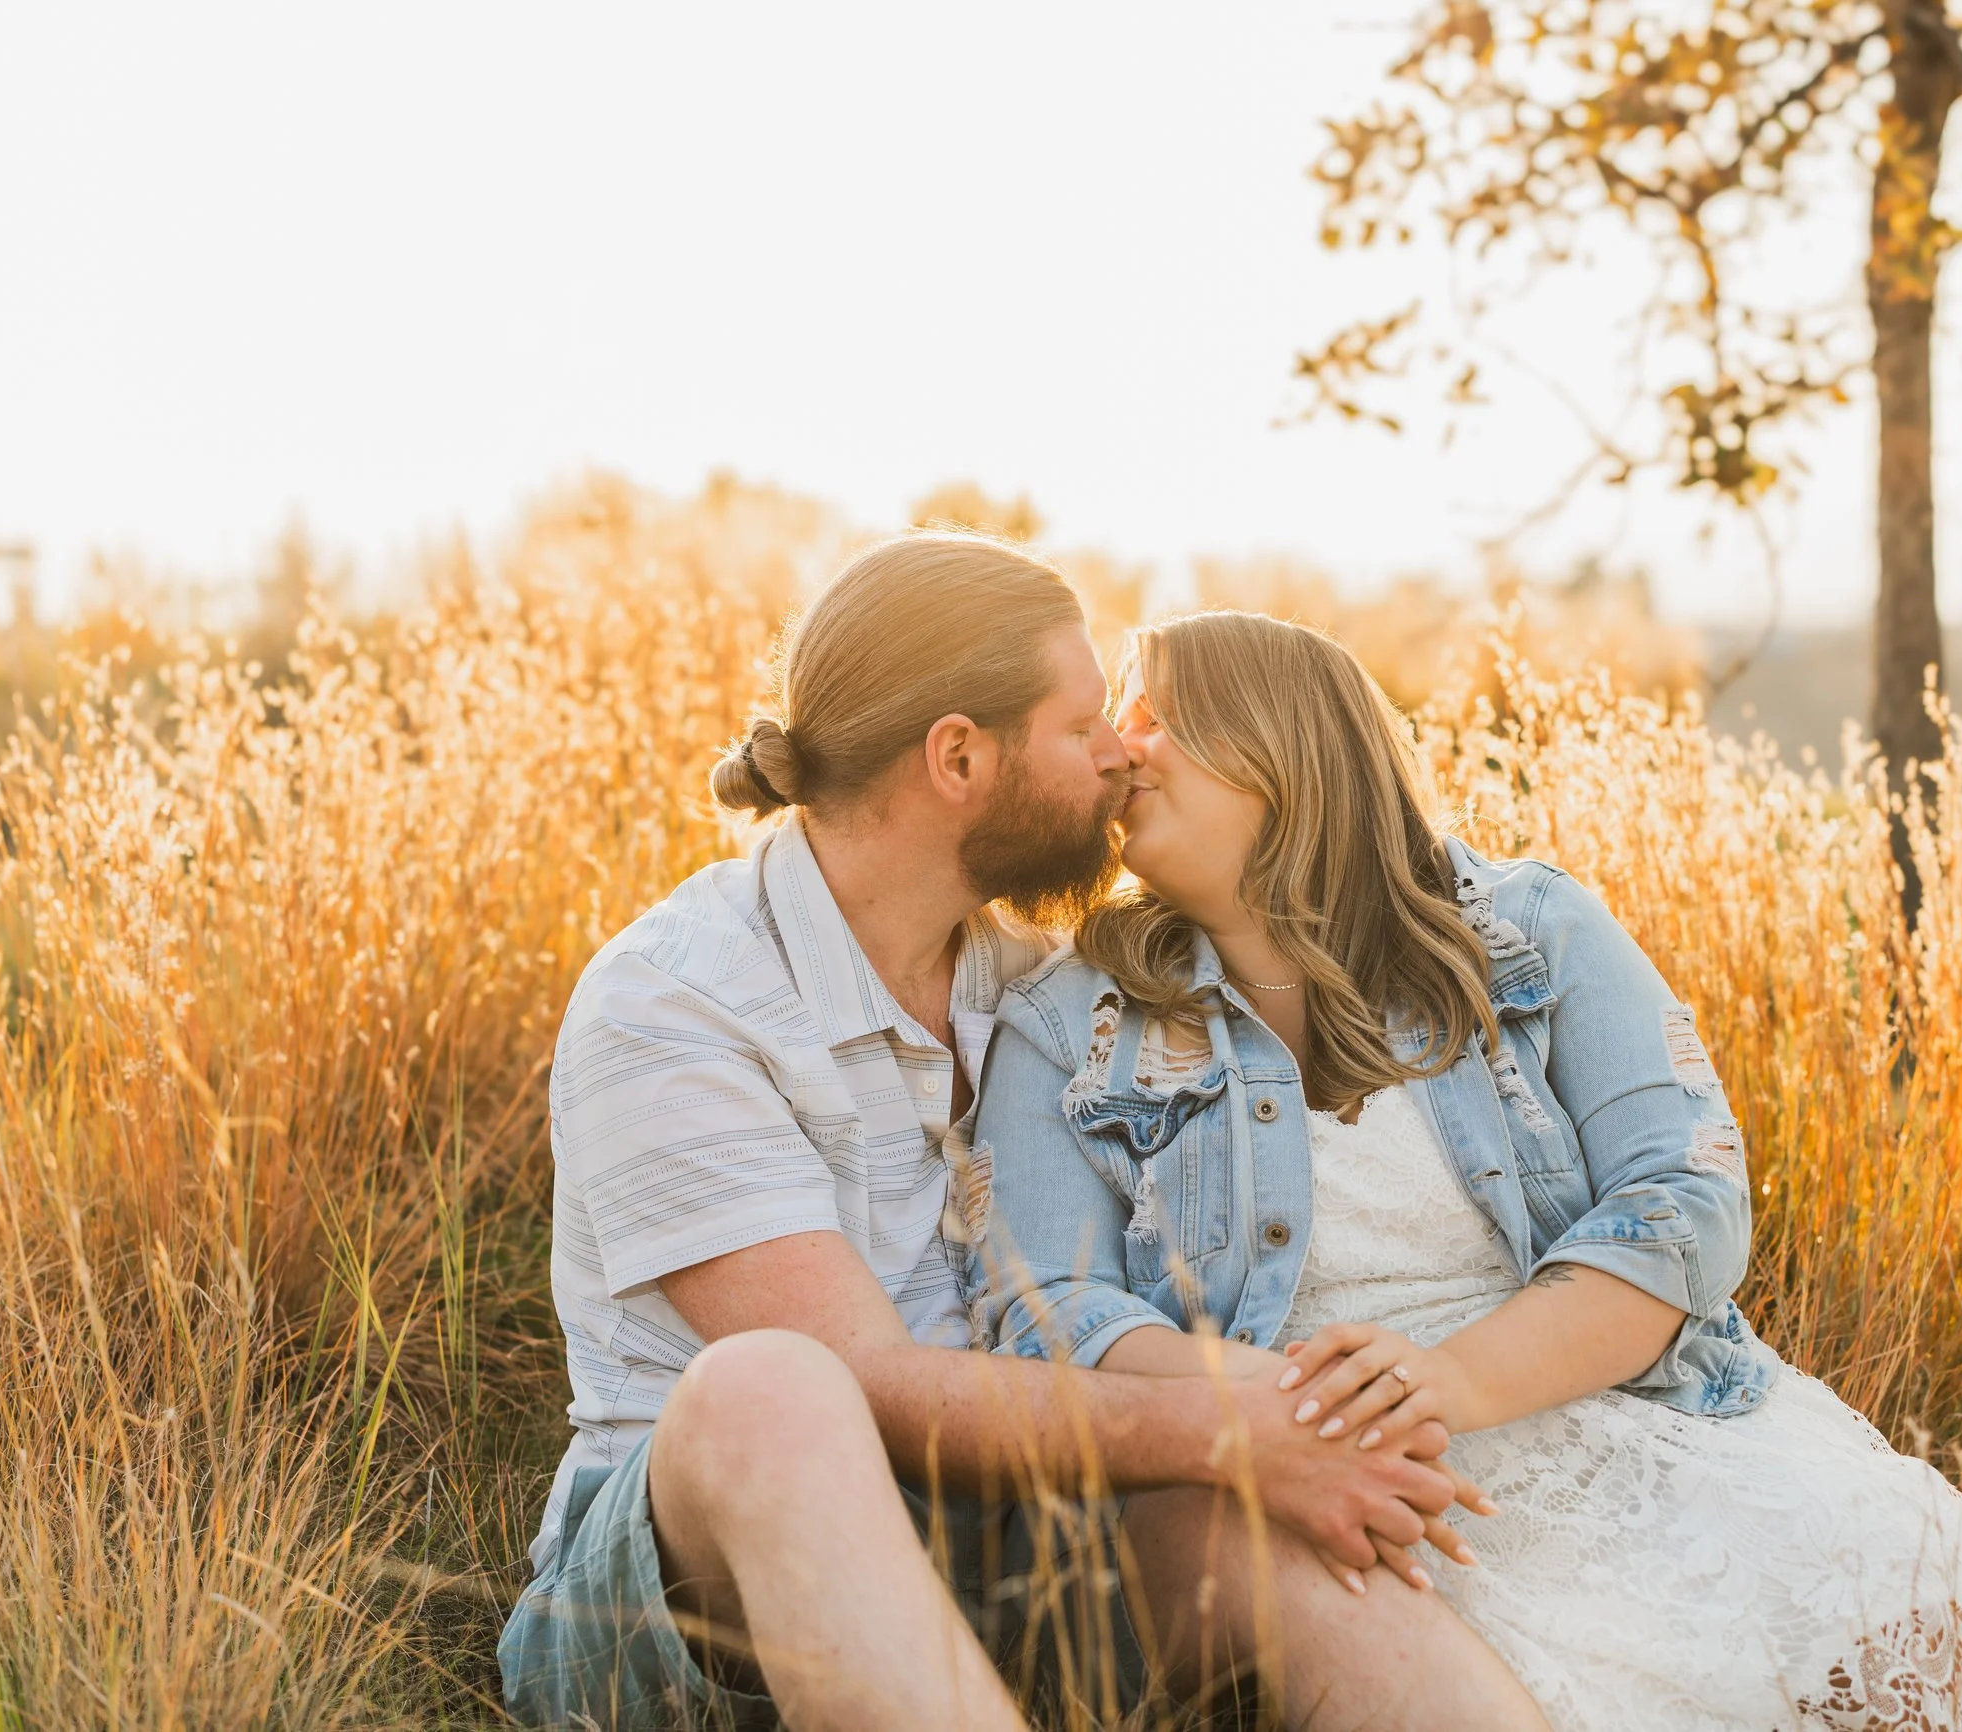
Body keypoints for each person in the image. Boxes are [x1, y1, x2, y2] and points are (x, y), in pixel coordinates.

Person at [969, 609, 1962, 1731]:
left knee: (1889, 1575)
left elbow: (1682, 1200)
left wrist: (1444, 1381)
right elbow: (1044, 1304)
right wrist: (1295, 1412)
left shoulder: (1524, 927)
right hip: (1305, 1464)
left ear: (1282, 743)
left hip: (1600, 1403)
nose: (1118, 750)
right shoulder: (1069, 1018)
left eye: (1154, 715)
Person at [499, 537, 1539, 1732]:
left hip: (1026, 1543)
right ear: (959, 757)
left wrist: (1294, 1424)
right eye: (1084, 722)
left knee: (1229, 1504)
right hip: (702, 1599)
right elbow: (876, 1389)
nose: (1121, 754)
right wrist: (1227, 1425)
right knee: (771, 1389)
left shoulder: (1051, 991)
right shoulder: (677, 1001)